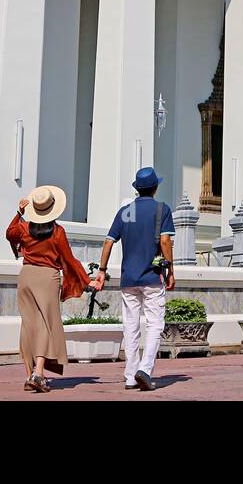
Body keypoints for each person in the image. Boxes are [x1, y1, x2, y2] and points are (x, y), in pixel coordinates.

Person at [90, 167, 174, 391]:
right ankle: (145, 369)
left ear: (137, 189)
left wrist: (102, 270)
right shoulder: (161, 210)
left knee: (131, 326)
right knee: (155, 324)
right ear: (155, 187)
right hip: (152, 277)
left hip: (128, 278)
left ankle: (129, 375)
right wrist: (171, 270)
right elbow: (165, 242)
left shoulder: (125, 211)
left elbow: (108, 241)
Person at [6, 185, 89, 393]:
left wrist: (19, 213)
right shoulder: (58, 232)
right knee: (44, 324)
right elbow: (69, 260)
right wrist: (87, 280)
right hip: (47, 277)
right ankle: (39, 372)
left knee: (28, 325)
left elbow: (9, 233)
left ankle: (29, 374)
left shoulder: (24, 228)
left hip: (26, 275)